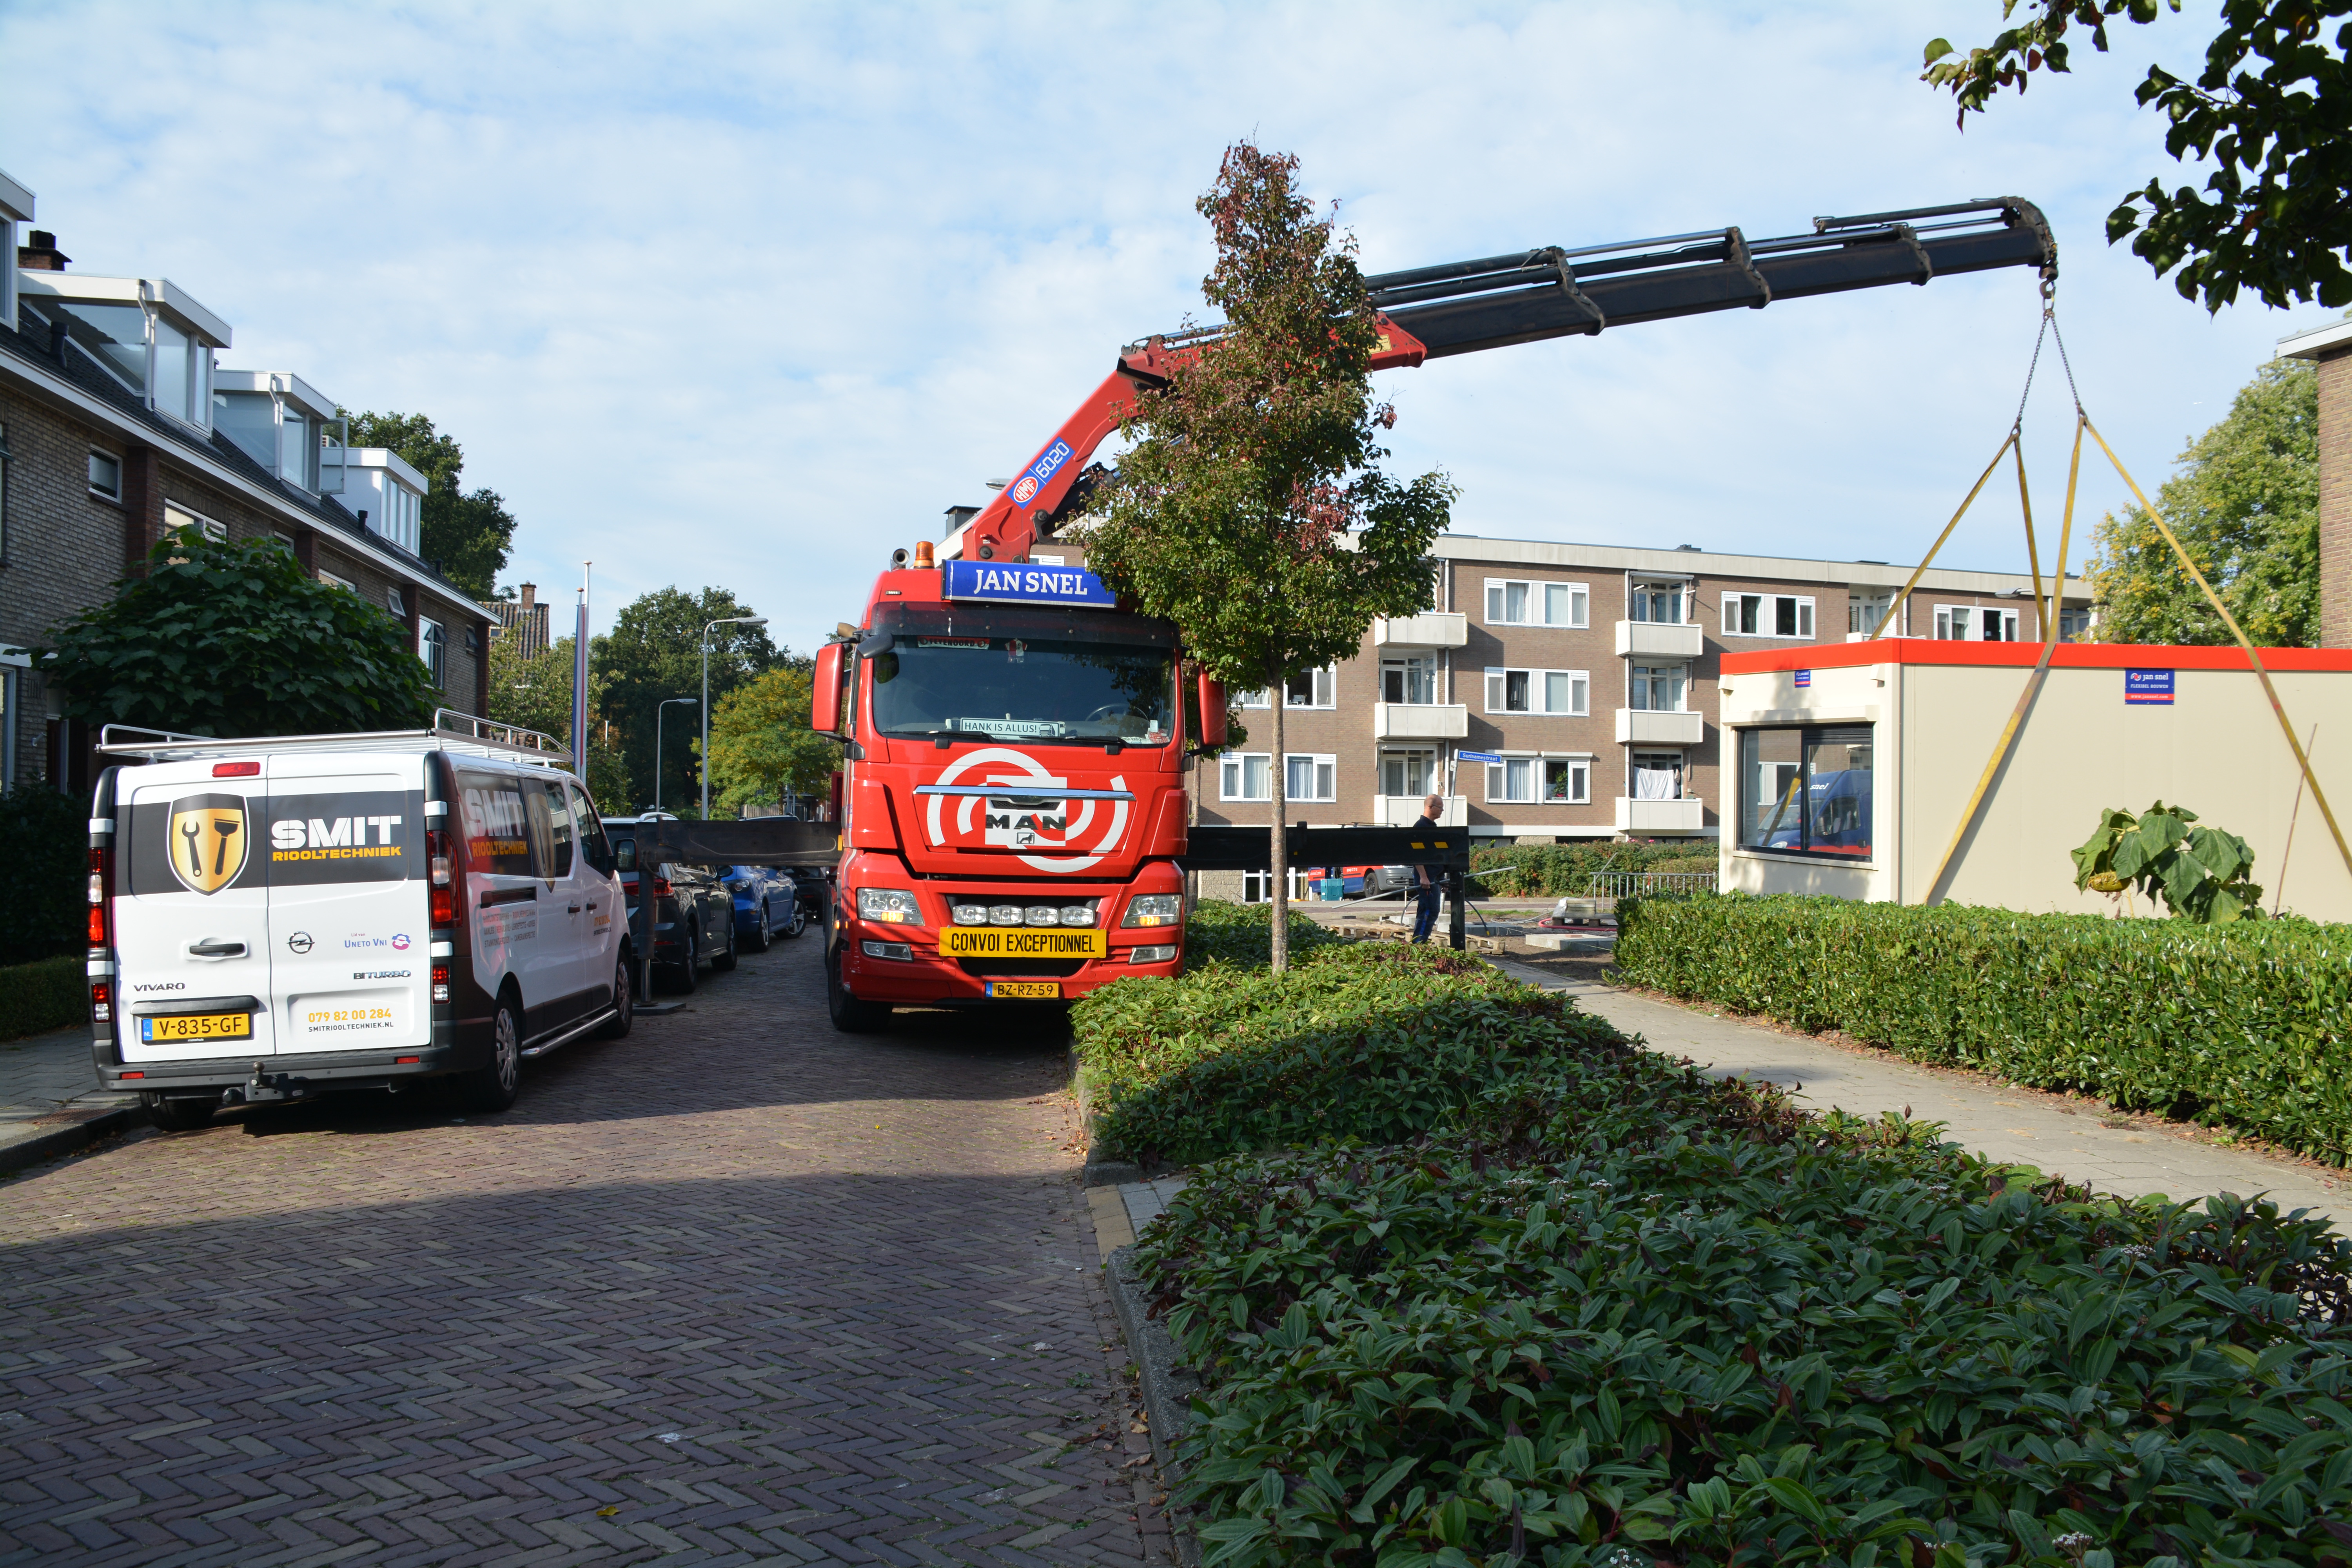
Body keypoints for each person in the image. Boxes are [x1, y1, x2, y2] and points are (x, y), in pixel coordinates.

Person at [1411, 793, 1444, 944]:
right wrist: (1423, 876)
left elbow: (1435, 855)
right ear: (1431, 807)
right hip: (1427, 879)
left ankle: (1422, 942)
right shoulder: (1421, 827)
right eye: (1440, 807)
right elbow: (1417, 854)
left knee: (1433, 911)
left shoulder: (1432, 827)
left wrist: (1442, 879)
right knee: (1427, 911)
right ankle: (1418, 945)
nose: (1442, 811)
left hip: (1434, 878)